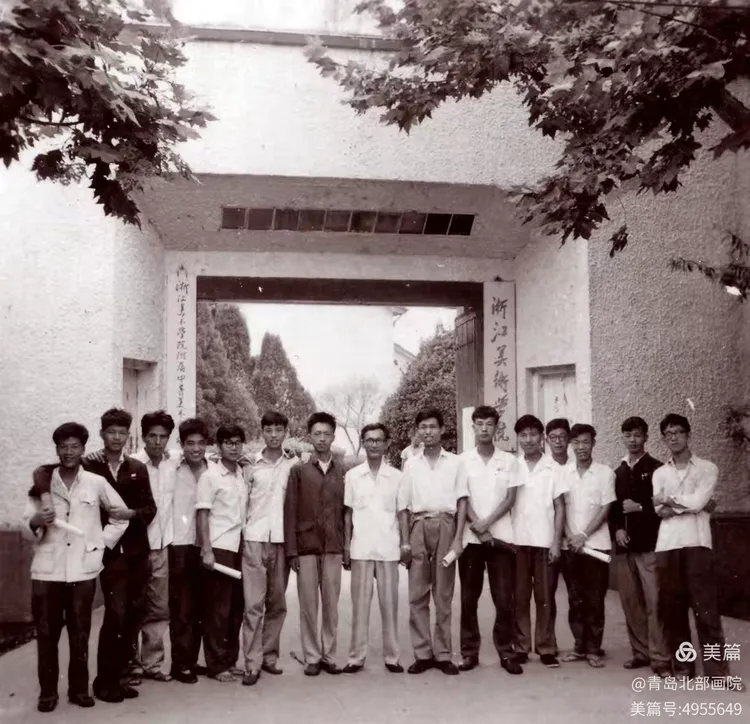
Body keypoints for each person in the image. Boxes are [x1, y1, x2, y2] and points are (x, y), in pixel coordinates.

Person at [23, 423, 129, 713]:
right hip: (47, 570)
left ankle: (79, 689)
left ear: (83, 449)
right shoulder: (42, 484)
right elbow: (24, 527)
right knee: (47, 634)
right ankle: (48, 693)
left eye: (74, 447)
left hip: (82, 570)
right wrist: (37, 521)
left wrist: (99, 543)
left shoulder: (95, 482)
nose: (69, 452)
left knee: (80, 632)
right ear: (57, 450)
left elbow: (120, 516)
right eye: (63, 447)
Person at [652, 414, 737, 683]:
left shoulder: (707, 468)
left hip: (697, 543)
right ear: (663, 439)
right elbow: (659, 510)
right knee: (673, 610)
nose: (673, 438)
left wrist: (670, 501)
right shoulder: (660, 473)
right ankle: (684, 668)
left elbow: (699, 502)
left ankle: (717, 673)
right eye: (668, 434)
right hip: (668, 545)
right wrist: (684, 505)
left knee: (706, 609)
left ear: (688, 435)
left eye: (678, 432)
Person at [397, 407, 468, 676]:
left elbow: (462, 501)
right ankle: (423, 653)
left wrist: (458, 538)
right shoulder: (411, 464)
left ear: (442, 429)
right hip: (419, 525)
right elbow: (403, 506)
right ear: (418, 431)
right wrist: (405, 541)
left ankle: (443, 654)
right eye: (423, 427)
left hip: (446, 525)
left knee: (443, 593)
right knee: (417, 593)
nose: (428, 432)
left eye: (432, 427)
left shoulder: (455, 463)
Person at [457, 406, 524, 675]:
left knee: (504, 599)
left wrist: (487, 523)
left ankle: (506, 652)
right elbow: (462, 498)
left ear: (497, 427)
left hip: (501, 538)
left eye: (489, 424)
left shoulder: (509, 461)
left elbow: (510, 499)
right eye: (479, 423)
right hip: (471, 540)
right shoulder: (463, 461)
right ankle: (469, 652)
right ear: (473, 427)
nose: (484, 428)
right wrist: (477, 525)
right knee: (468, 598)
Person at [284, 412, 346, 676]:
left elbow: (347, 512)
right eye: (317, 433)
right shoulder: (299, 470)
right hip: (306, 546)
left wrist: (346, 547)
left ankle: (329, 656)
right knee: (309, 605)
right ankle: (312, 656)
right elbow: (290, 510)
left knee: (331, 605)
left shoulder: (342, 471)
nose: (322, 438)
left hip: (333, 546)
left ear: (333, 436)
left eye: (327, 434)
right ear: (310, 436)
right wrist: (291, 551)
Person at [609, 417, 670, 676]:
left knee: (655, 602)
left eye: (637, 435)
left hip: (650, 546)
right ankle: (640, 652)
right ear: (622, 438)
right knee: (631, 602)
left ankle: (661, 658)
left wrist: (641, 507)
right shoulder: (619, 471)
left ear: (646, 437)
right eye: (628, 435)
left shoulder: (657, 469)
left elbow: (665, 507)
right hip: (625, 548)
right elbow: (613, 508)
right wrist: (618, 529)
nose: (632, 440)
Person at [342, 423, 405, 675]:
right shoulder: (353, 476)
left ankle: (392, 657)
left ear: (386, 443)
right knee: (360, 607)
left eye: (379, 440)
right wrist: (346, 546)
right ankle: (356, 657)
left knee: (390, 606)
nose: (374, 444)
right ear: (364, 443)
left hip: (388, 547)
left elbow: (402, 513)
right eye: (369, 440)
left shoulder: (397, 477)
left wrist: (405, 543)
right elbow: (348, 514)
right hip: (361, 548)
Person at [240, 411, 297, 686]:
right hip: (254, 539)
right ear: (262, 432)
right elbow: (242, 502)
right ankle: (251, 663)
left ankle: (269, 657)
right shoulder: (250, 465)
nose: (273, 435)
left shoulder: (294, 465)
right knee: (253, 605)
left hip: (281, 542)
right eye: (268, 430)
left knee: (277, 604)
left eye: (278, 430)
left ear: (286, 432)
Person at [511, 414, 568, 668]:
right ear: (518, 438)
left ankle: (546, 647)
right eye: (523, 435)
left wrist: (556, 542)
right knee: (520, 597)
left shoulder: (553, 468)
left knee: (545, 597)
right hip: (518, 542)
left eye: (533, 434)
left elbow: (560, 506)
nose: (528, 440)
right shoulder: (513, 466)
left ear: (541, 437)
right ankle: (521, 647)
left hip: (545, 541)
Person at [559, 424, 616, 669]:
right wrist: (570, 536)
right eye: (576, 442)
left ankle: (594, 649)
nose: (581, 447)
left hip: (596, 547)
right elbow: (560, 509)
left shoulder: (605, 473)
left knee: (594, 599)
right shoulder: (564, 473)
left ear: (593, 443)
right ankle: (579, 647)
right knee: (575, 599)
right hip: (570, 547)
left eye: (585, 442)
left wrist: (583, 535)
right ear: (571, 444)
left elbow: (605, 508)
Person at [196, 424, 248, 683]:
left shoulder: (240, 474)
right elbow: (202, 514)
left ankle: (230, 660)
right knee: (218, 610)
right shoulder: (210, 476)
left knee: (236, 608)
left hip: (239, 546)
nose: (234, 447)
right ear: (218, 446)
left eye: (238, 442)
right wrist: (207, 550)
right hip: (219, 548)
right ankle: (216, 665)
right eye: (228, 443)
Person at [129, 411, 176, 683]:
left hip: (161, 546)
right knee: (133, 606)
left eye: (163, 437)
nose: (157, 442)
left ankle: (152, 664)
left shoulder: (172, 465)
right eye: (152, 436)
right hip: (135, 548)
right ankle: (132, 666)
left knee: (159, 608)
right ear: (143, 436)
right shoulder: (132, 464)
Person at [169, 418, 210, 684]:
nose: (195, 448)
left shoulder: (213, 469)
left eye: (200, 443)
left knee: (201, 607)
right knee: (182, 607)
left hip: (206, 545)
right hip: (180, 545)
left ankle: (192, 659)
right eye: (190, 443)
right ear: (182, 444)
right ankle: (180, 663)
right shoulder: (172, 468)